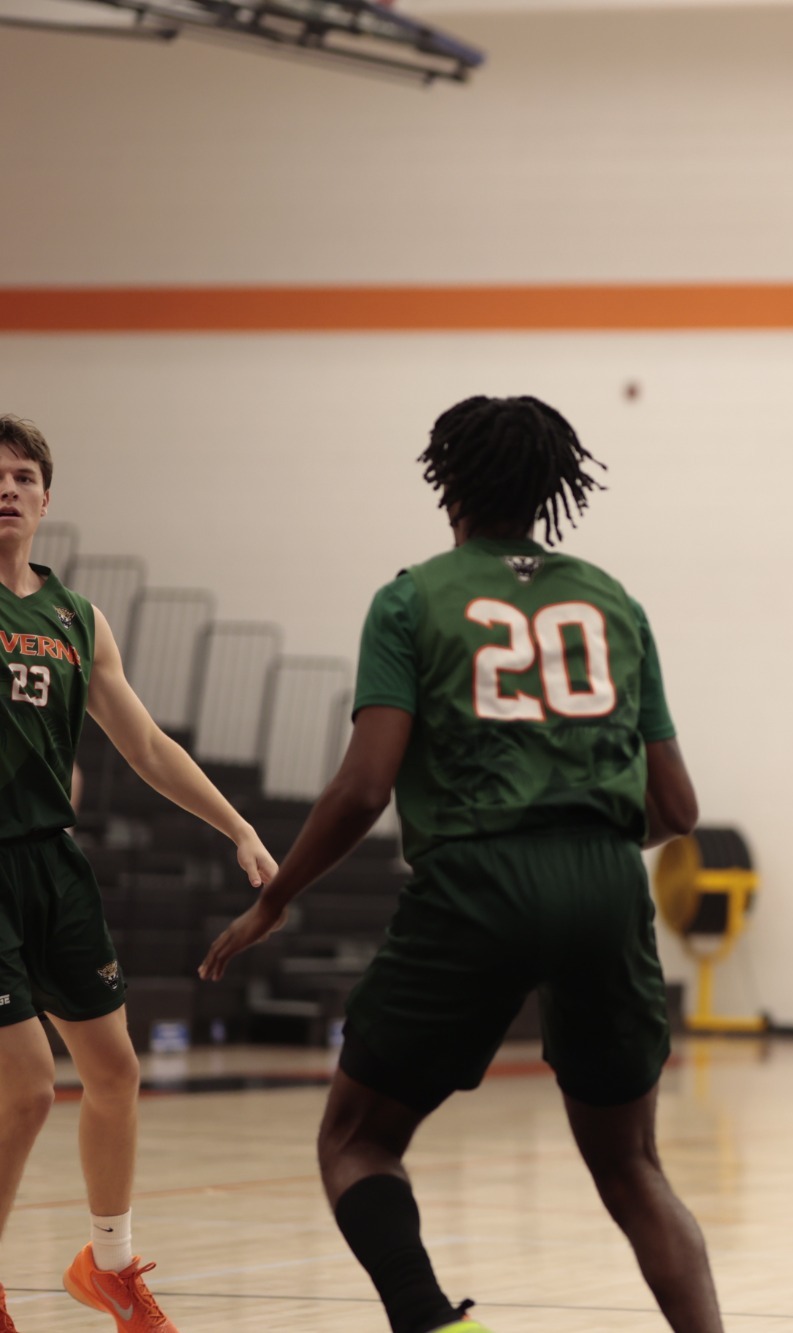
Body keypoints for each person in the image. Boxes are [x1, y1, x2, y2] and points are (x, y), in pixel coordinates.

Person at [200, 396, 724, 1333]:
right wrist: (584, 834)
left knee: (356, 1140)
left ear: (449, 487)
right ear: (550, 491)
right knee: (634, 1168)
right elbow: (678, 808)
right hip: (608, 881)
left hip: (479, 879)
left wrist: (272, 899)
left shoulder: (411, 598)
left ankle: (431, 1321)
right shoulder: (612, 600)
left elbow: (364, 790)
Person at [0, 413, 279, 1333]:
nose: (6, 489)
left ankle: (109, 1267)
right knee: (29, 1085)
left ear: (47, 498)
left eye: (22, 477)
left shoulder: (78, 619)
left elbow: (150, 745)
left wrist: (237, 826)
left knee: (114, 1071)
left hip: (51, 861)